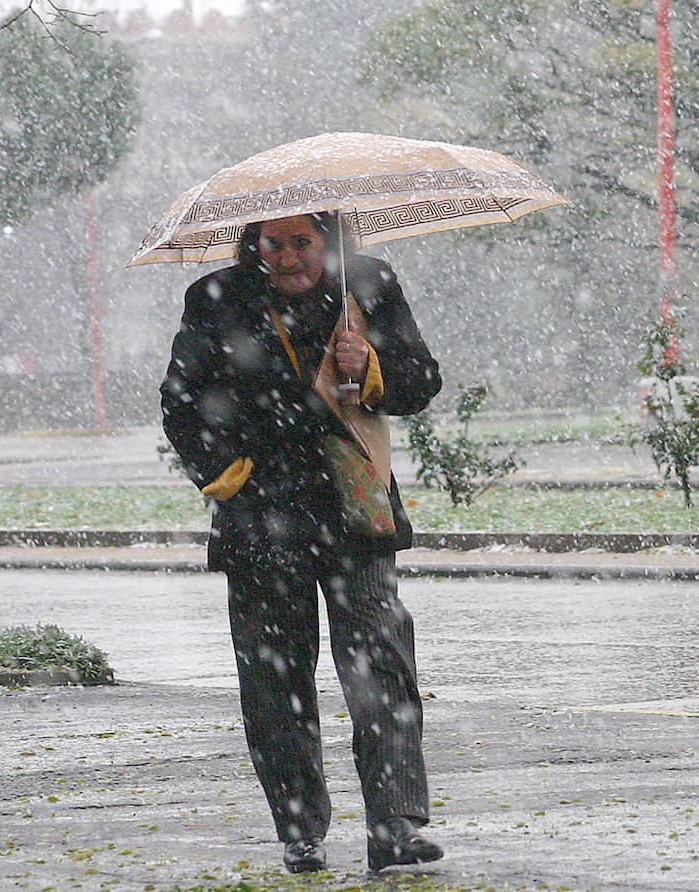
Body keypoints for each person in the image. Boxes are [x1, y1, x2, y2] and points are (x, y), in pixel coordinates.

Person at [159, 212, 444, 873]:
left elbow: (421, 379)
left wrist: (370, 365)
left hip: (355, 512)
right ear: (252, 242)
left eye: (301, 243)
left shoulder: (368, 284)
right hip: (262, 521)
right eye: (272, 243)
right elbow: (181, 404)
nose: (286, 258)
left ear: (329, 240)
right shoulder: (216, 298)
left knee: (382, 666)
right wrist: (233, 477)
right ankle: (299, 830)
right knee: (275, 681)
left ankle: (395, 825)